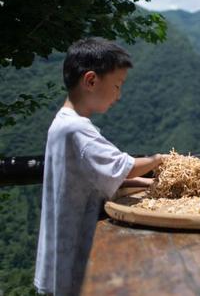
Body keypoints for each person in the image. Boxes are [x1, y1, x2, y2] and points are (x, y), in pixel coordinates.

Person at [34, 37, 166, 295]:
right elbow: (122, 167)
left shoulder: (62, 122)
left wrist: (144, 183)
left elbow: (94, 178)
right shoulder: (77, 129)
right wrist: (160, 160)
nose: (119, 95)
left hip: (56, 255)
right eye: (117, 85)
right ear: (91, 81)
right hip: (71, 260)